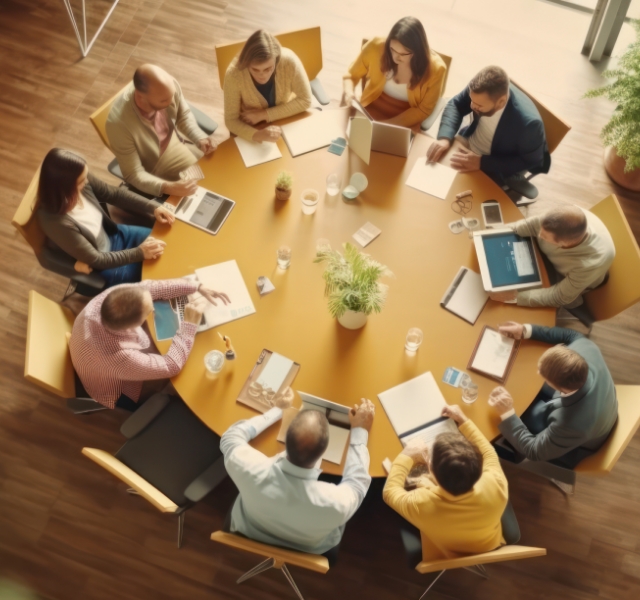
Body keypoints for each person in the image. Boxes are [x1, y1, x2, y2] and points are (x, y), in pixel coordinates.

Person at [220, 398, 375, 563]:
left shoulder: (247, 468)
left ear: (286, 441)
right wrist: (359, 430)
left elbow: (230, 437)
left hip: (251, 530)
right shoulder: (335, 504)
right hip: (308, 549)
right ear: (323, 453)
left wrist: (277, 410)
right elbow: (357, 483)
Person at [69, 280, 230, 410]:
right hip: (115, 390)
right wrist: (189, 325)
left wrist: (196, 286)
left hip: (88, 354)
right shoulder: (119, 357)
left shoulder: (107, 298)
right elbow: (172, 365)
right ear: (133, 325)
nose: (153, 308)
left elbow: (150, 288)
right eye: (148, 311)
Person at [383, 404, 510, 560]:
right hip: (489, 544)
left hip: (446, 551)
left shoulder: (422, 504)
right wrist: (463, 420)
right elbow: (489, 453)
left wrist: (407, 456)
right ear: (478, 467)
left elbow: (389, 493)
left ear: (430, 470)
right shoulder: (495, 481)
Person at [37, 148, 174, 288]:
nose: (86, 182)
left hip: (116, 235)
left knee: (168, 244)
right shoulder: (54, 221)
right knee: (157, 278)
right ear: (64, 187)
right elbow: (97, 259)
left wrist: (153, 207)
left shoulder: (79, 177)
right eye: (81, 182)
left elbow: (113, 194)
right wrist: (140, 253)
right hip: (107, 263)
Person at [489, 322, 618, 468]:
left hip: (578, 442)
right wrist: (525, 330)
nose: (538, 374)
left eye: (543, 376)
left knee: (522, 416)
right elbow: (571, 335)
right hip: (599, 398)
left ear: (562, 388)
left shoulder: (572, 424)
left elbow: (534, 450)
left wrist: (507, 413)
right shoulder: (586, 348)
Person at [426, 66, 549, 196]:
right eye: (472, 100)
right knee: (432, 177)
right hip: (467, 143)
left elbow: (530, 161)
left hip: (495, 165)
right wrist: (444, 138)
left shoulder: (529, 125)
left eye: (479, 105)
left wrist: (482, 162)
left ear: (501, 102)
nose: (472, 106)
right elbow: (456, 104)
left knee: (458, 196)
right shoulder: (480, 90)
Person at [106, 64, 217, 198]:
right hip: (159, 160)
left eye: (172, 95)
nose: (171, 102)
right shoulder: (118, 124)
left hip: (178, 139)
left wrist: (199, 137)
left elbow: (183, 115)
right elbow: (133, 173)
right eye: (164, 100)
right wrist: (167, 187)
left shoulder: (168, 86)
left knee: (219, 165)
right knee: (208, 185)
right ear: (140, 98)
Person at [489, 205, 615, 308]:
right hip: (547, 260)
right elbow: (528, 226)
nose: (538, 235)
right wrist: (490, 235)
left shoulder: (590, 263)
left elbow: (559, 296)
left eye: (544, 237)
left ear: (565, 244)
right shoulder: (556, 218)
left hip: (568, 280)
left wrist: (513, 296)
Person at [342, 16, 446, 128]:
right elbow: (351, 76)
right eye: (392, 49)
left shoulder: (436, 69)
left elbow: (423, 110)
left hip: (405, 124)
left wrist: (385, 126)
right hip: (368, 113)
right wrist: (349, 94)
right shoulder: (376, 46)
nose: (396, 57)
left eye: (403, 54)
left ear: (417, 53)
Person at [223, 30, 312, 143]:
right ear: (247, 64)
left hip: (285, 117)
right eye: (255, 69)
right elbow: (231, 120)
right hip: (251, 126)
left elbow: (306, 100)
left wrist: (264, 115)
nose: (262, 76)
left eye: (268, 69)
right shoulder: (234, 74)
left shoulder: (289, 61)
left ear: (277, 60)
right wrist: (257, 135)